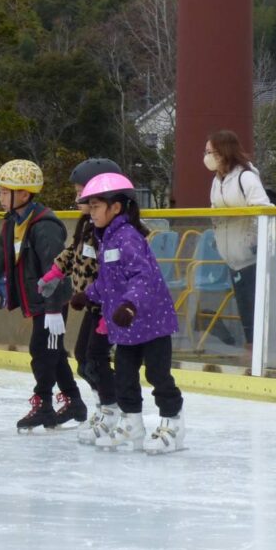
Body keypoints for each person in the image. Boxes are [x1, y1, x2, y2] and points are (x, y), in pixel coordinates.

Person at [0, 159, 86, 431]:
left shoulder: (44, 226)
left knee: (43, 352)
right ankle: (74, 402)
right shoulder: (14, 222)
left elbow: (57, 269)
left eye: (6, 192)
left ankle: (43, 404)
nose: (1, 197)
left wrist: (53, 309)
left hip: (52, 303)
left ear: (24, 194)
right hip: (39, 302)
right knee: (54, 353)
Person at [78, 172, 185, 454]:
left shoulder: (128, 237)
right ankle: (132, 424)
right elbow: (108, 280)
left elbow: (142, 276)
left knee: (158, 375)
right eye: (90, 207)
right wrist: (87, 295)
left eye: (96, 207)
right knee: (124, 375)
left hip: (151, 322)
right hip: (126, 326)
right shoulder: (107, 238)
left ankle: (173, 425)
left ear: (116, 207)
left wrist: (129, 305)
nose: (91, 213)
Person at [37, 158, 121, 444]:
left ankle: (113, 409)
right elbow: (73, 254)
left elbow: (114, 272)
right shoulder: (87, 224)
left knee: (95, 360)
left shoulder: (112, 230)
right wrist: (54, 273)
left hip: (108, 305)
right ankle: (105, 406)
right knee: (83, 359)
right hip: (91, 303)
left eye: (81, 191)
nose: (77, 197)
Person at [206, 130, 273, 349]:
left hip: (250, 255)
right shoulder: (218, 180)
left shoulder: (246, 177)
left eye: (210, 152)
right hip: (232, 256)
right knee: (244, 306)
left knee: (254, 306)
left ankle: (257, 350)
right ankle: (250, 347)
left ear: (223, 152)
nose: (206, 156)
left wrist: (252, 242)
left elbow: (264, 208)